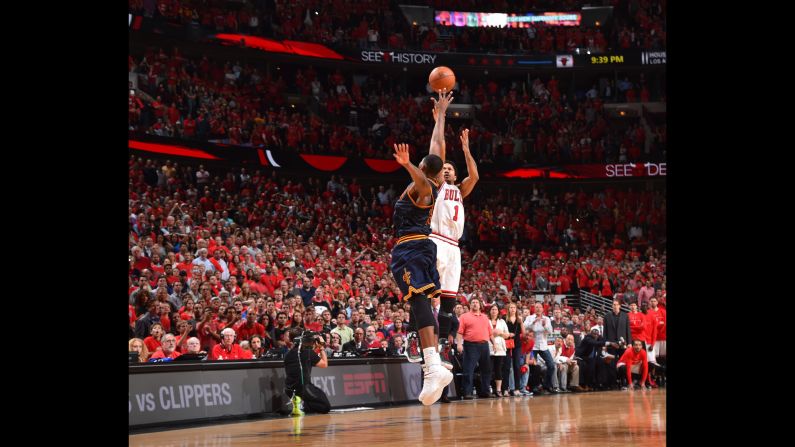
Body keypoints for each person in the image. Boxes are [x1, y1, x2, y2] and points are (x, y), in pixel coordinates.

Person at [389, 92, 454, 407]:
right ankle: (434, 364)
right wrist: (440, 116)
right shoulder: (433, 178)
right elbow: (437, 149)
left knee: (418, 303)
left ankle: (433, 367)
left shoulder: (425, 187)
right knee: (421, 304)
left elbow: (424, 177)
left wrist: (407, 165)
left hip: (412, 248)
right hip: (420, 248)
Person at [422, 126, 480, 367]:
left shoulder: (460, 189)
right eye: (443, 168)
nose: (446, 170)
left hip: (454, 247)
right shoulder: (438, 186)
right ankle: (420, 337)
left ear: (455, 175)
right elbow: (439, 153)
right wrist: (440, 121)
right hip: (436, 238)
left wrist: (467, 150)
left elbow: (474, 176)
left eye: (449, 169)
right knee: (424, 291)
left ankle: (442, 345)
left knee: (448, 300)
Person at [283, 327, 330, 415]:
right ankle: (302, 405)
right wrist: (321, 348)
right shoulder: (308, 353)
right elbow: (324, 364)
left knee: (312, 401)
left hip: (289, 389)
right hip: (304, 388)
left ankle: (299, 403)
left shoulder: (287, 355)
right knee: (325, 406)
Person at [455, 298, 495, 399]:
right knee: (469, 369)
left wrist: (494, 343)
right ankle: (467, 392)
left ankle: (485, 391)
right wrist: (459, 344)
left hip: (484, 345)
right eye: (473, 303)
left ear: (480, 305)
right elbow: (460, 332)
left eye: (477, 303)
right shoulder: (464, 317)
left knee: (486, 370)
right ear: (470, 305)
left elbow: (490, 332)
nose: (475, 304)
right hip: (470, 345)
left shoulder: (485, 317)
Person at [524, 303, 557, 393]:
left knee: (551, 365)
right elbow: (524, 326)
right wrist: (533, 322)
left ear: (543, 309)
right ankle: (534, 386)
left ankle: (546, 385)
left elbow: (550, 331)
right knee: (535, 367)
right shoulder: (529, 318)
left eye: (540, 307)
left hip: (543, 345)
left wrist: (544, 325)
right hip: (532, 346)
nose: (538, 309)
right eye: (536, 307)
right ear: (534, 309)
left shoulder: (546, 319)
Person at [487, 303, 509, 397]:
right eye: (492, 309)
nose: (494, 311)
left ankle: (498, 389)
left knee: (498, 369)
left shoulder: (502, 321)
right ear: (489, 311)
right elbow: (484, 333)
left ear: (498, 311)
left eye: (495, 309)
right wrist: (493, 334)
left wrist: (499, 333)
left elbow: (507, 335)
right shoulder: (486, 321)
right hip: (488, 347)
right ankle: (489, 388)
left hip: (500, 348)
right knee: (489, 369)